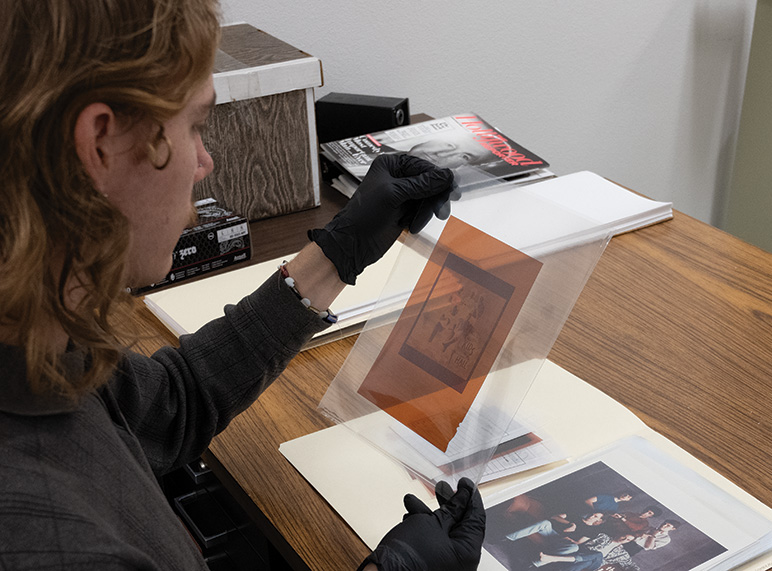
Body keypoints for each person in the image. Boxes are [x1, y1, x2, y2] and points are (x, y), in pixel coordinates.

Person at [0, 1, 484, 570]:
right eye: (196, 126)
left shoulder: (35, 339)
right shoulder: (57, 544)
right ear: (100, 142)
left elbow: (170, 405)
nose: (203, 162)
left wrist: (337, 251)